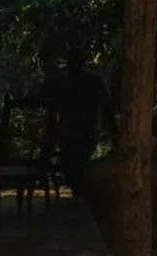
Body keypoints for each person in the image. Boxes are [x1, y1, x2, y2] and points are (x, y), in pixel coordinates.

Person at [43, 49, 116, 195]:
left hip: (80, 131)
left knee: (76, 165)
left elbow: (107, 106)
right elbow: (107, 106)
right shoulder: (83, 80)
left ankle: (79, 192)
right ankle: (79, 192)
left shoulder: (86, 81)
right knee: (76, 165)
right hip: (77, 132)